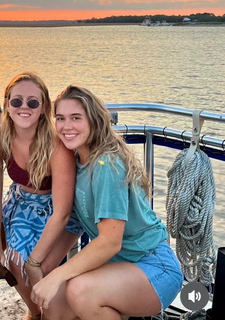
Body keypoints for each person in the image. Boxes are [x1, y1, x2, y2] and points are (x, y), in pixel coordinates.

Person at [31, 85, 183, 320]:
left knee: (80, 291)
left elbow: (110, 242)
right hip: (115, 266)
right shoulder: (76, 160)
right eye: (60, 118)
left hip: (153, 267)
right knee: (54, 307)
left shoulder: (105, 165)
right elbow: (74, 222)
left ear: (93, 120)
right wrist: (40, 264)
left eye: (76, 118)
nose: (66, 126)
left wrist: (57, 275)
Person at [0, 72, 83, 320]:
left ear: (44, 107)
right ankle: (36, 312)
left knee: (43, 267)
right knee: (14, 261)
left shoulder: (55, 144)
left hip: (59, 209)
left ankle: (54, 311)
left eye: (33, 102)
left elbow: (62, 211)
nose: (24, 107)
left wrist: (36, 261)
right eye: (16, 101)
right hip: (21, 202)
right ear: (7, 104)